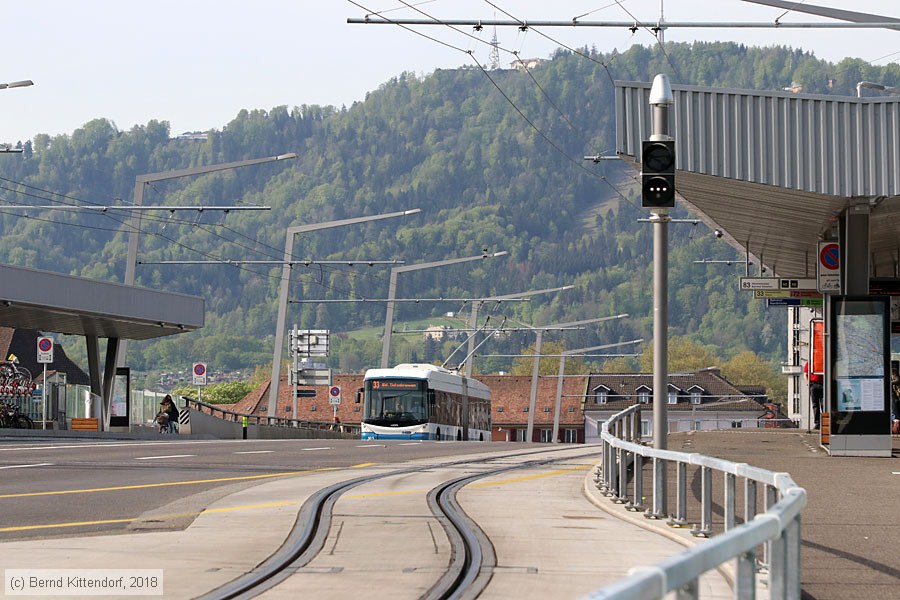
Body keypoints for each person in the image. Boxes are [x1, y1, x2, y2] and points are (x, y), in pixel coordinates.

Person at [804, 362, 823, 429]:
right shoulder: (809, 362)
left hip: (823, 384)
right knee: (815, 405)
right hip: (813, 384)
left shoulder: (824, 361)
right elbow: (805, 374)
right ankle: (818, 423)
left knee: (824, 405)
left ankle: (825, 423)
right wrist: (808, 384)